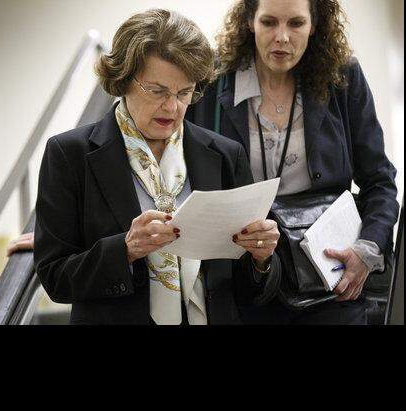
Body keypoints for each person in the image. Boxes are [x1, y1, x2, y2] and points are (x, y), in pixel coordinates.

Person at [34, 8, 282, 324]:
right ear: (122, 79)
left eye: (184, 92)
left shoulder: (224, 154)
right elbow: (55, 278)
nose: (173, 107)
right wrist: (124, 249)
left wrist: (262, 259)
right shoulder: (70, 154)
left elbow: (247, 290)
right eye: (157, 91)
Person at [188, 0, 398, 324]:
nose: (282, 37)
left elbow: (380, 181)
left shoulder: (343, 77)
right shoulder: (212, 82)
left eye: (296, 24)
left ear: (314, 24)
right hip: (245, 283)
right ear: (249, 21)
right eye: (269, 22)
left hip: (331, 281)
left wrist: (366, 251)